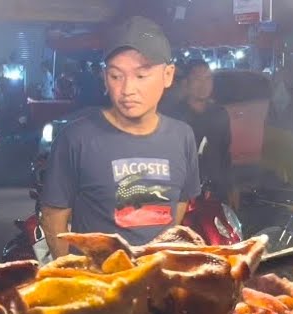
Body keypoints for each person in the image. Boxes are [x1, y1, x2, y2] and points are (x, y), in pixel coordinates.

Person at [40, 16, 201, 256]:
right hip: (99, 286)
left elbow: (180, 202)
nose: (127, 89)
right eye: (116, 76)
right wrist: (71, 275)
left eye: (141, 76)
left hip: (155, 282)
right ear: (105, 78)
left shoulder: (182, 136)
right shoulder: (76, 138)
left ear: (168, 75)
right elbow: (54, 216)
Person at [171, 59, 232, 200]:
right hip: (187, 194)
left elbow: (225, 153)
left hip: (217, 190)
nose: (203, 84)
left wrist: (230, 186)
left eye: (208, 78)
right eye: (197, 79)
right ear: (186, 83)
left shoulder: (220, 113)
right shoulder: (176, 118)